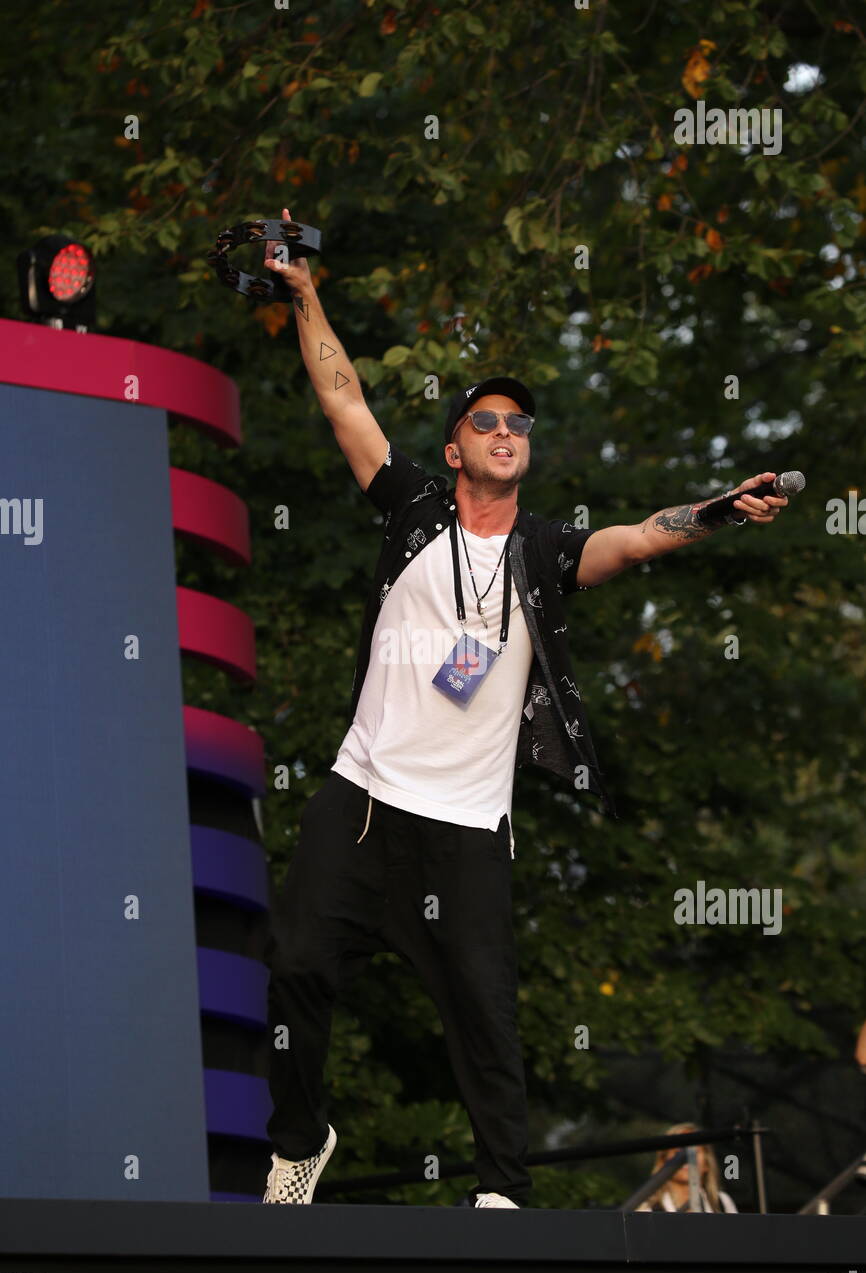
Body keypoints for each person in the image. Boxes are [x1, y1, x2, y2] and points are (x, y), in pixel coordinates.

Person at [260, 205, 790, 1209]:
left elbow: (634, 539)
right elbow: (341, 398)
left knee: (483, 1017)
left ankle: (502, 1195)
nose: (505, 432)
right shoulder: (413, 508)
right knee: (294, 964)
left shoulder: (541, 553)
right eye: (485, 421)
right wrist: (304, 292)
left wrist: (714, 512)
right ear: (454, 448)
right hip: (364, 798)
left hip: (464, 827)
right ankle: (298, 1140)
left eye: (519, 423)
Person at [636, 1123, 738, 1213]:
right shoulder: (646, 1209)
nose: (686, 1158)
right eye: (678, 1152)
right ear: (664, 1161)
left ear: (707, 1163)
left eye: (693, 1151)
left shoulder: (722, 1203)